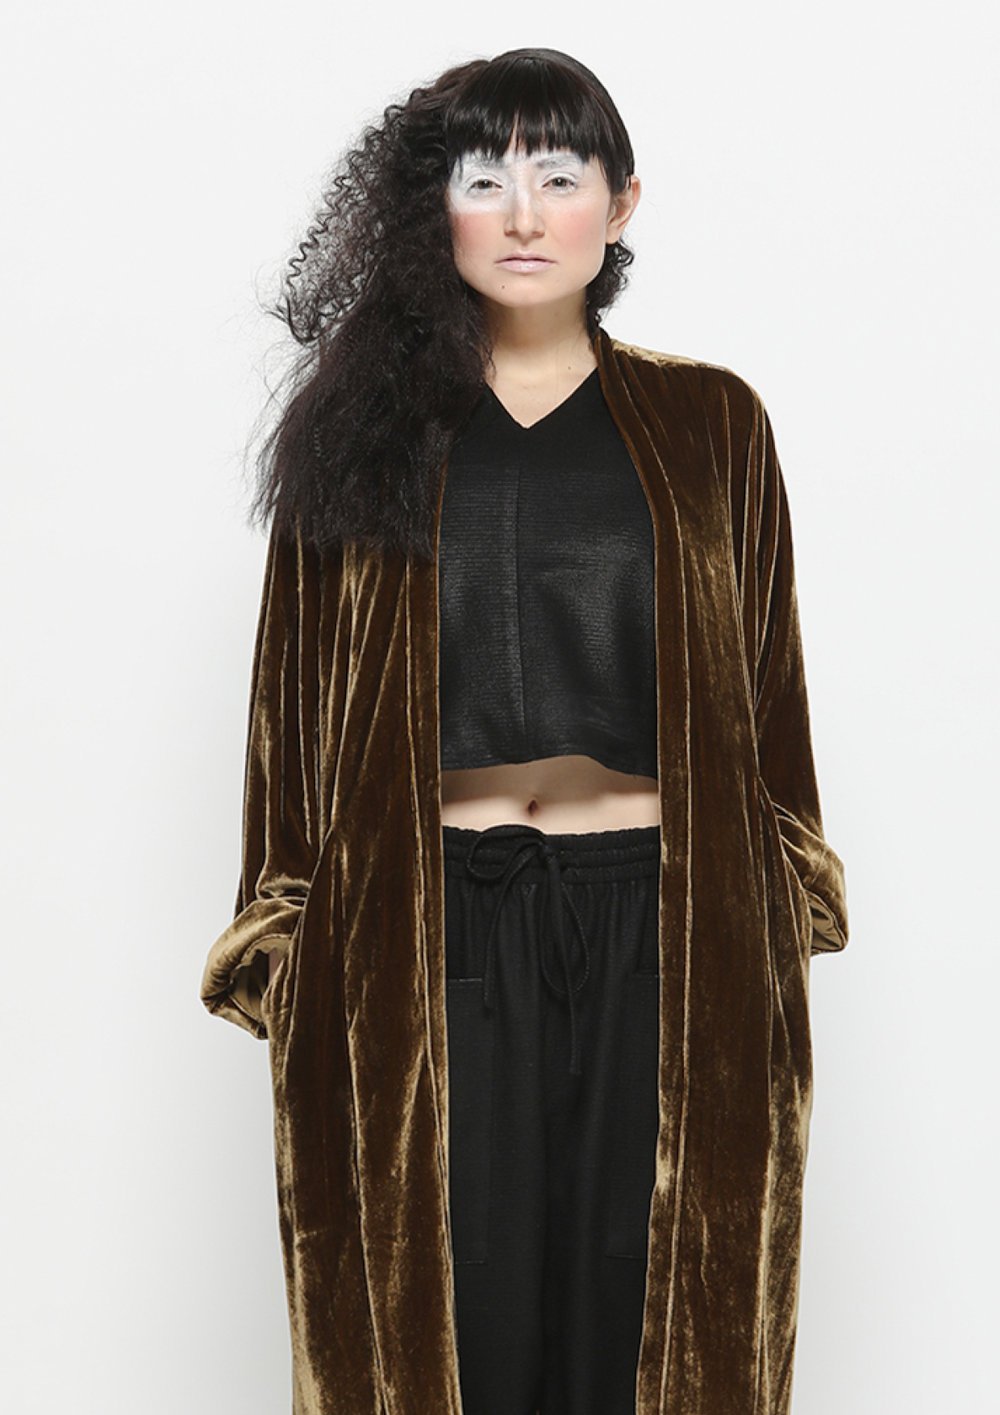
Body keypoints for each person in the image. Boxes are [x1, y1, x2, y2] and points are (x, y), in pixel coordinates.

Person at [200, 47, 849, 1415]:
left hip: (661, 922)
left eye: (558, 176)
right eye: (482, 179)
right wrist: (286, 937)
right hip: (431, 928)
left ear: (621, 203)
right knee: (452, 1327)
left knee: (649, 1319)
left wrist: (783, 896)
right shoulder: (364, 430)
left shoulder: (711, 423)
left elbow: (768, 696)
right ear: (431, 208)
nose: (522, 214)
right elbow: (292, 707)